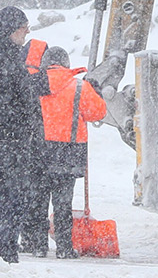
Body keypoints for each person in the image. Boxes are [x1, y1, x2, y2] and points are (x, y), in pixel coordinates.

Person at [0, 6, 46, 263]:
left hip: (7, 139)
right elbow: (4, 98)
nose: (27, 33)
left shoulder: (2, 54)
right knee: (10, 197)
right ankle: (2, 253)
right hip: (5, 140)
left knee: (12, 197)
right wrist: (25, 113)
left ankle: (4, 251)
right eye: (24, 28)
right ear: (11, 30)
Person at [24, 47, 106, 259]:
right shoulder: (79, 86)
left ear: (45, 64)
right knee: (63, 203)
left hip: (38, 152)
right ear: (66, 63)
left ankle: (38, 245)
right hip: (68, 153)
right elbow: (98, 112)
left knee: (38, 202)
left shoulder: (33, 84)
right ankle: (64, 247)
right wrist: (95, 91)